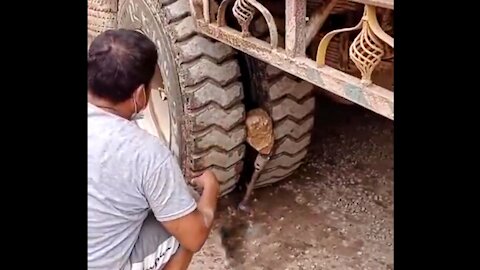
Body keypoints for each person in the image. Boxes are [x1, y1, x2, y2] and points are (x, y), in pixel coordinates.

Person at [88, 29, 220, 270]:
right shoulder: (147, 154)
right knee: (186, 214)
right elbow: (195, 236)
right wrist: (211, 188)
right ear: (140, 94)